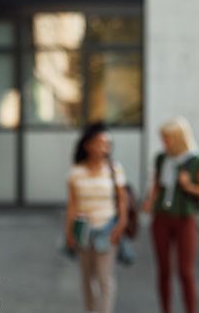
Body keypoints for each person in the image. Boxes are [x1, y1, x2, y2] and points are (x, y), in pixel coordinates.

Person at [142, 117, 199, 313]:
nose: (164, 143)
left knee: (185, 271)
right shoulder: (162, 158)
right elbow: (156, 185)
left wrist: (188, 185)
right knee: (163, 270)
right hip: (162, 217)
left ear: (179, 138)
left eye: (168, 138)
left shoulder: (196, 160)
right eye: (163, 138)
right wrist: (150, 201)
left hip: (184, 218)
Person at [65, 122, 128, 313]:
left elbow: (123, 201)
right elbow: (72, 204)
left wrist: (120, 226)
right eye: (99, 143)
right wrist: (69, 231)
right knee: (87, 278)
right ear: (88, 145)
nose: (104, 147)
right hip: (83, 230)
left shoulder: (114, 169)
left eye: (107, 144)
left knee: (105, 279)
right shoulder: (76, 172)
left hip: (107, 229)